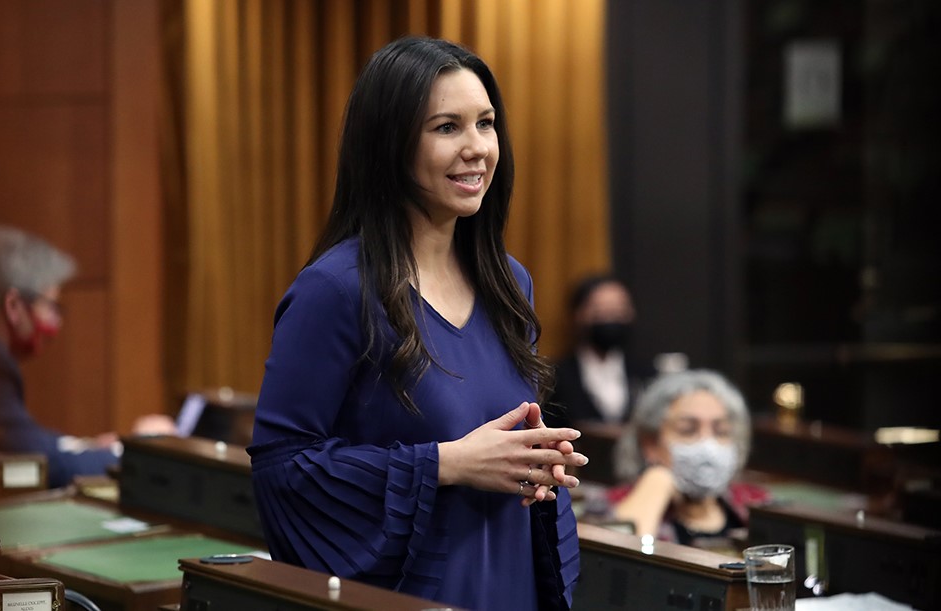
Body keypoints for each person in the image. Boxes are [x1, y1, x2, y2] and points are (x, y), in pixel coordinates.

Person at [246, 36, 588, 611]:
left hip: (511, 584)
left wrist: (539, 463)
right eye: (447, 128)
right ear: (390, 145)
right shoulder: (335, 290)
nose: (477, 148)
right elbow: (283, 473)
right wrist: (445, 464)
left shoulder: (510, 283)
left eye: (486, 123)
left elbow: (505, 445)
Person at [0, 225, 176, 489]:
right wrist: (141, 454)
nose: (55, 324)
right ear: (13, 306)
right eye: (51, 307)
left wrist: (91, 447)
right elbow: (40, 463)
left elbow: (27, 439)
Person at [609, 368, 765, 553]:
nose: (708, 445)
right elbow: (618, 564)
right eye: (688, 430)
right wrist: (657, 482)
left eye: (721, 431)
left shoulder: (755, 503)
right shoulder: (612, 505)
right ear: (650, 443)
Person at [544, 274, 655, 429]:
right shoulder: (555, 377)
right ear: (579, 314)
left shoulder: (646, 373)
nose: (610, 318)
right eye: (600, 310)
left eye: (618, 310)